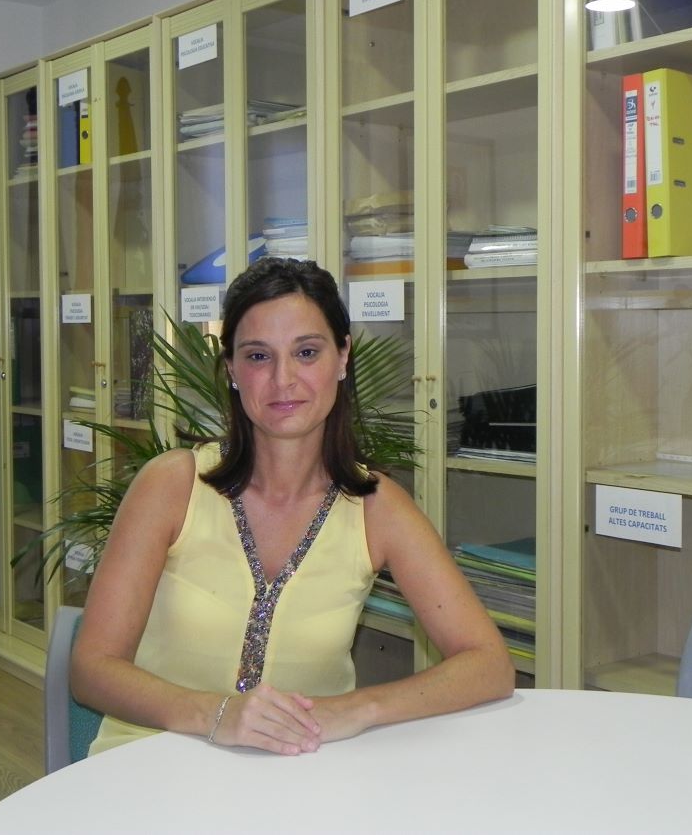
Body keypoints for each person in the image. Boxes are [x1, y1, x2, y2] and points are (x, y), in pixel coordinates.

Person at [71, 257, 515, 756]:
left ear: (343, 357)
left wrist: (358, 708)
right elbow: (92, 669)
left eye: (306, 352)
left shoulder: (377, 507)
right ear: (232, 369)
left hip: (300, 775)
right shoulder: (173, 485)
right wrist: (216, 715)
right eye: (259, 356)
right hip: (149, 766)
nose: (283, 379)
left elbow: (489, 664)